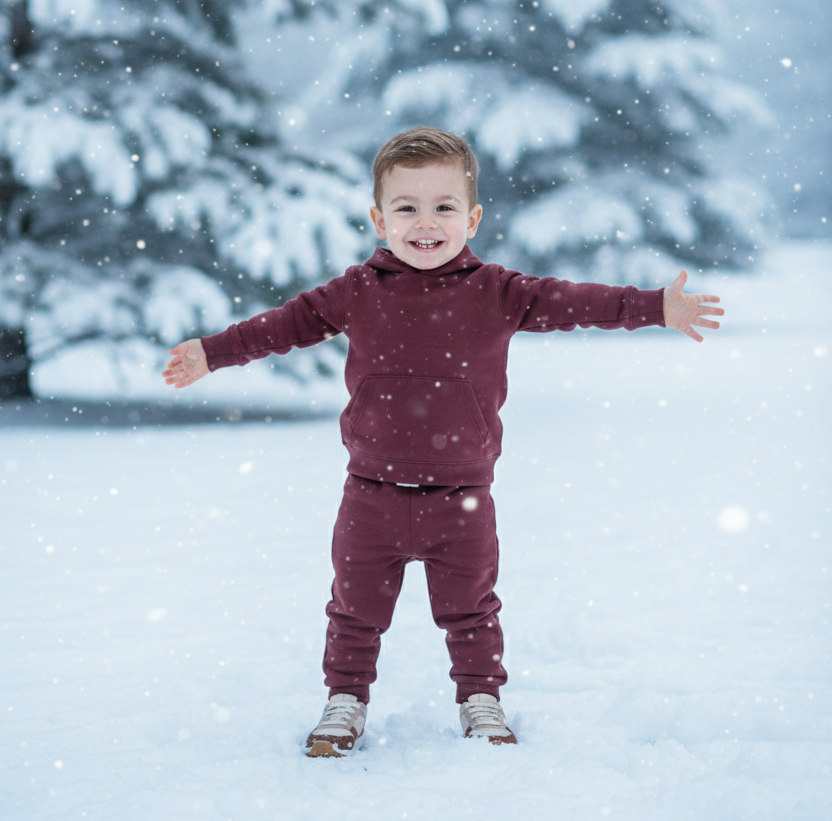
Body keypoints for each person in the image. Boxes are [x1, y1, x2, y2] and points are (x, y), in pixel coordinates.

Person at [163, 126, 724, 756]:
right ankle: (345, 700)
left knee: (472, 610)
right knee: (353, 611)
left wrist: (655, 307)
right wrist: (213, 352)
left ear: (473, 217)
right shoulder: (355, 291)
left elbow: (577, 302)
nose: (425, 223)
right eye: (406, 207)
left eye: (444, 207)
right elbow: (284, 325)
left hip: (462, 498)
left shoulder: (500, 292)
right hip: (370, 494)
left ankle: (479, 698)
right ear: (379, 219)